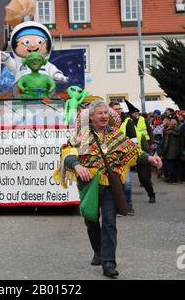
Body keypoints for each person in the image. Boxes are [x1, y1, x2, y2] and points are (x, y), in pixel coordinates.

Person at [54, 100, 162, 278]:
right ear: (92, 117)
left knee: (110, 223)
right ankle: (98, 251)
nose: (104, 116)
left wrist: (150, 159)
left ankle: (109, 263)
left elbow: (133, 151)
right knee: (91, 220)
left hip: (111, 185)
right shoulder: (85, 135)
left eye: (106, 113)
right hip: (89, 184)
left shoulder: (116, 135)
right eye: (100, 113)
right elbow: (67, 151)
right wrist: (78, 166)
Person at [124, 100, 157, 203]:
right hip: (127, 153)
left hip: (142, 150)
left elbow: (149, 131)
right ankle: (126, 202)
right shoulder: (126, 123)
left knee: (143, 177)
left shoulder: (143, 120)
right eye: (134, 113)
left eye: (137, 112)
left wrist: (152, 142)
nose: (136, 114)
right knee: (126, 181)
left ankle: (151, 195)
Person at [109, 101, 137, 216]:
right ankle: (118, 206)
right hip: (111, 158)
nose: (118, 111)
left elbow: (134, 140)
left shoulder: (127, 121)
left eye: (119, 108)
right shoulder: (107, 123)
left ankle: (128, 204)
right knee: (115, 183)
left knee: (127, 183)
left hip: (125, 157)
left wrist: (133, 156)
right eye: (116, 109)